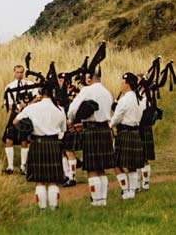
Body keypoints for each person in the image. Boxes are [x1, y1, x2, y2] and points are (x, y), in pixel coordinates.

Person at [14, 85, 67, 210]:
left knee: (40, 180)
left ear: (40, 93)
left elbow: (15, 122)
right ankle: (54, 207)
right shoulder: (59, 109)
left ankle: (42, 208)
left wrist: (27, 129)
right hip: (54, 144)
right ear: (52, 93)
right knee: (53, 179)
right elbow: (63, 129)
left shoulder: (32, 108)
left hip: (37, 143)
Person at [66, 68, 114, 206]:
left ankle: (96, 200)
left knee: (92, 168)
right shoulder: (107, 92)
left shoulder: (87, 90)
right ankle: (103, 200)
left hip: (91, 130)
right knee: (101, 168)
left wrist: (71, 119)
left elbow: (72, 110)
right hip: (105, 129)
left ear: (89, 78)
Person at [110, 72, 144, 200]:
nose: (121, 85)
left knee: (116, 163)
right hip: (135, 132)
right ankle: (132, 191)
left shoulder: (125, 99)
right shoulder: (138, 98)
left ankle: (125, 190)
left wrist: (110, 124)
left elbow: (117, 116)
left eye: (122, 83)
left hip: (124, 133)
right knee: (132, 166)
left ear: (127, 85)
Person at [2, 65, 36, 175]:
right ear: (14, 72)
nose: (19, 74)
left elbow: (38, 96)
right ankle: (10, 166)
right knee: (9, 139)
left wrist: (28, 105)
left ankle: (23, 166)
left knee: (24, 140)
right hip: (14, 114)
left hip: (26, 115)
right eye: (17, 72)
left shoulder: (30, 85)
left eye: (21, 72)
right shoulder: (9, 86)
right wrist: (17, 107)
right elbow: (7, 103)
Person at [58, 74, 81, 188]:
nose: (61, 82)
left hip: (71, 123)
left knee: (69, 151)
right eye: (60, 80)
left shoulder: (74, 91)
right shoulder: (57, 92)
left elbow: (77, 107)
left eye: (63, 80)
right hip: (60, 125)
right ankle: (66, 175)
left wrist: (75, 122)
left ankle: (72, 176)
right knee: (62, 151)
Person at [137, 74, 155, 191]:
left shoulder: (144, 97)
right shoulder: (146, 95)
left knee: (143, 158)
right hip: (144, 128)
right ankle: (141, 183)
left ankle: (145, 183)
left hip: (142, 127)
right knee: (140, 157)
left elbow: (139, 112)